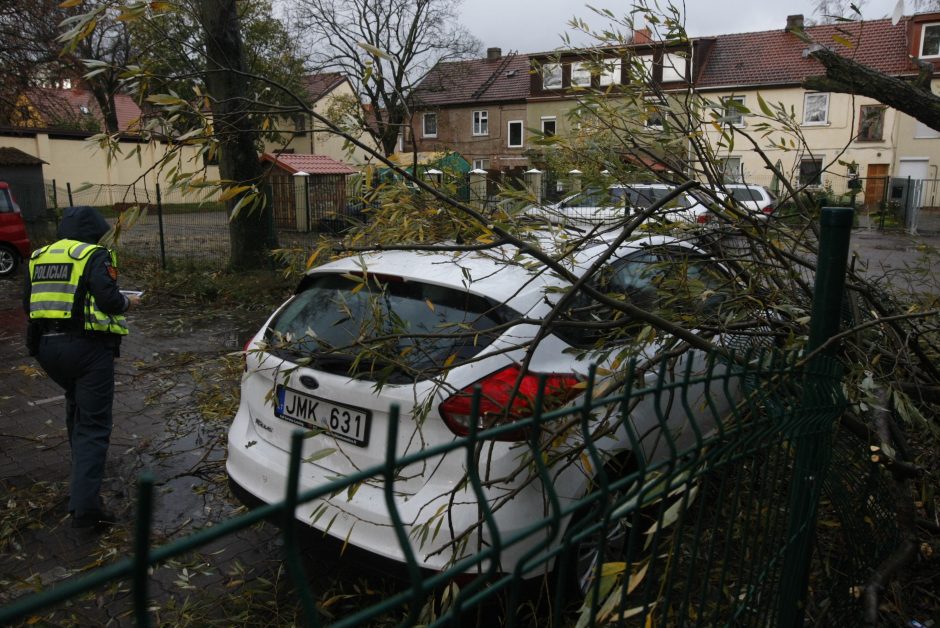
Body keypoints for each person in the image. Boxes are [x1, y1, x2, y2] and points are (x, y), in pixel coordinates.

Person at [23, 206, 141, 529]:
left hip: (48, 349)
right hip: (88, 350)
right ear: (94, 232)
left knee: (76, 408)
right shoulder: (94, 255)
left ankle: (81, 481)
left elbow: (27, 305)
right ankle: (86, 507)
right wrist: (129, 302)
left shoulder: (39, 256)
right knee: (94, 425)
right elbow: (109, 300)